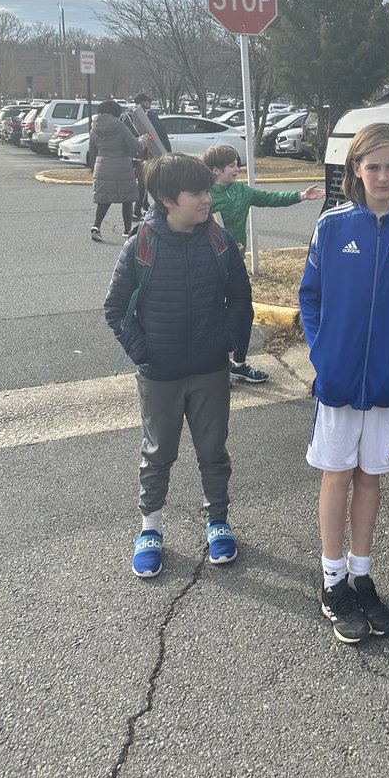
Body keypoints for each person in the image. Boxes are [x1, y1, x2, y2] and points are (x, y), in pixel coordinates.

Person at [298, 123, 389, 644]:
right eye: (373, 165)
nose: (383, 175)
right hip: (337, 380)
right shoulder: (333, 226)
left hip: (387, 381)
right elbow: (309, 297)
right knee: (337, 475)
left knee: (370, 477)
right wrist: (324, 354)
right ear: (355, 169)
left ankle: (361, 574)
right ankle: (332, 581)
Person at [103, 153, 253, 579]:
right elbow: (115, 308)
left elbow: (240, 297)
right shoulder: (140, 246)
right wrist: (143, 352)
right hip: (159, 374)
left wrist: (228, 343)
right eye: (197, 192)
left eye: (208, 190)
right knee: (158, 453)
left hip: (210, 370)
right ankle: (150, 528)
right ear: (167, 199)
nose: (207, 199)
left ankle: (218, 520)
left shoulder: (218, 241)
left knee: (212, 451)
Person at [201, 143, 324, 385]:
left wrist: (301, 196)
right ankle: (216, 367)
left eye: (237, 164)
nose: (237, 168)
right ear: (215, 170)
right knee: (213, 316)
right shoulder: (203, 195)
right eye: (231, 165)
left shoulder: (241, 191)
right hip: (209, 267)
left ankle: (239, 364)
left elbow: (270, 198)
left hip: (236, 265)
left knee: (243, 312)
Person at [89, 100, 149, 241]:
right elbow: (136, 146)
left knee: (104, 199)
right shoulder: (120, 127)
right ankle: (127, 230)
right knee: (127, 199)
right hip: (122, 164)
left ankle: (96, 226)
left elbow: (93, 149)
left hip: (102, 164)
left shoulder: (94, 128)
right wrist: (144, 139)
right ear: (115, 112)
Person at [128, 93, 171, 221]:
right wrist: (167, 150)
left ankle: (143, 206)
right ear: (143, 102)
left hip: (137, 153)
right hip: (149, 153)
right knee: (145, 182)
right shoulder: (149, 116)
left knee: (143, 181)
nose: (150, 104)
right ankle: (137, 211)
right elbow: (161, 134)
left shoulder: (130, 116)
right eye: (148, 102)